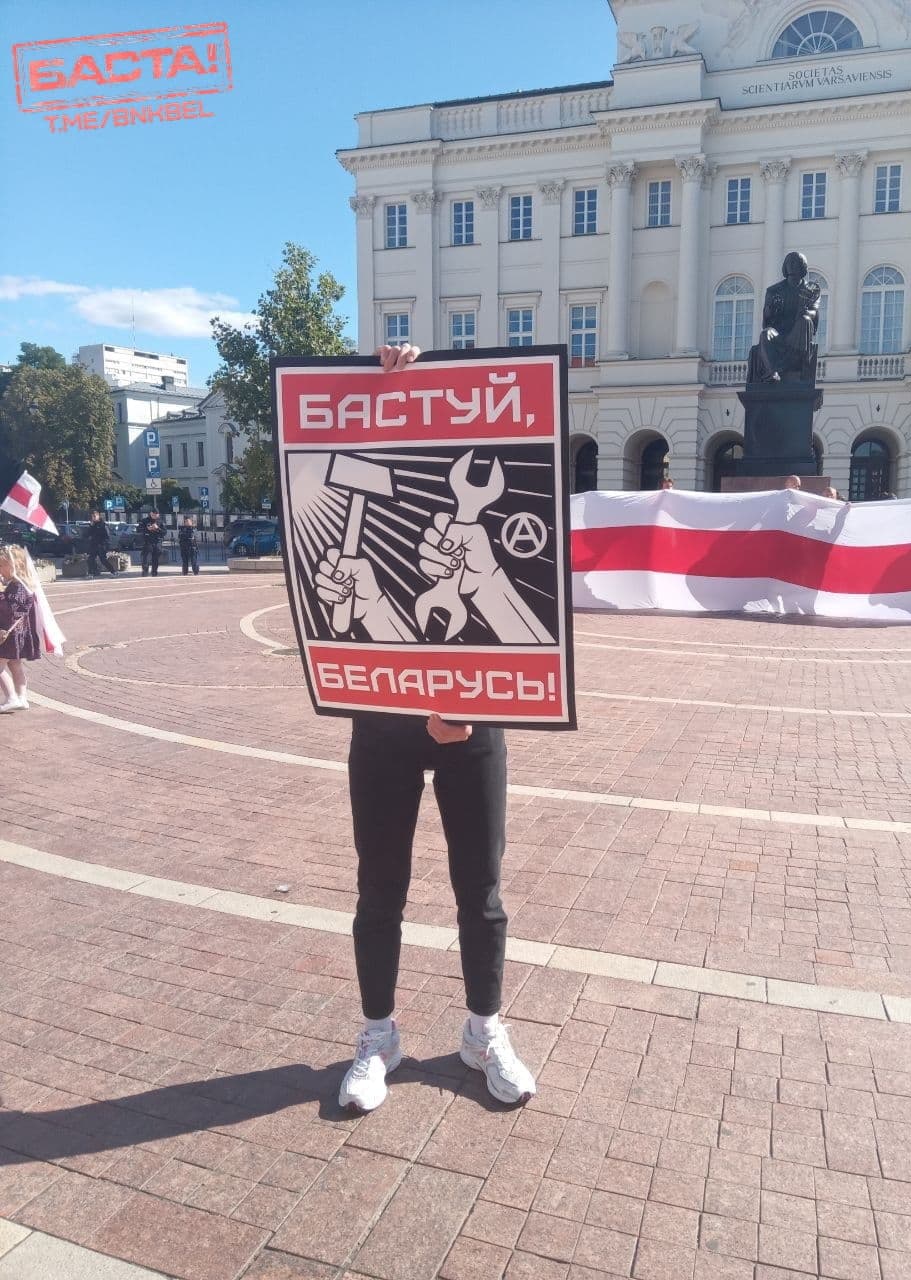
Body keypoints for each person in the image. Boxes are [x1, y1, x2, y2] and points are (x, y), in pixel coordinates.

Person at [336, 343, 537, 1115]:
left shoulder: (481, 549)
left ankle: (483, 1032)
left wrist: (485, 577)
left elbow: (527, 635)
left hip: (472, 721)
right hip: (383, 723)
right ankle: (378, 1036)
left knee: (480, 890)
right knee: (379, 888)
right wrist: (386, 379)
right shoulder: (374, 549)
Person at [747, 251, 821, 385]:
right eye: (789, 262)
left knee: (805, 320)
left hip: (799, 335)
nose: (792, 265)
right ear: (785, 266)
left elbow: (814, 313)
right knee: (765, 334)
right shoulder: (774, 291)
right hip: (779, 336)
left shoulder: (810, 290)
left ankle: (795, 362)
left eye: (795, 262)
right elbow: (766, 322)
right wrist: (770, 311)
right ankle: (772, 372)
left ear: (803, 267)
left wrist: (806, 312)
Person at [0, 544, 42, 712]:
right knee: (15, 664)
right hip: (17, 633)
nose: (0, 569)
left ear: (13, 566)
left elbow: (10, 609)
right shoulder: (22, 585)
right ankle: (22, 698)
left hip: (9, 633)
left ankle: (11, 697)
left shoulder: (17, 587)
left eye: (1, 565)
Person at [86, 511, 118, 577]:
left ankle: (113, 572)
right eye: (92, 517)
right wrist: (91, 527)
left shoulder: (103, 525)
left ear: (98, 516)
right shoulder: (92, 525)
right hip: (93, 545)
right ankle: (91, 573)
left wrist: (104, 544)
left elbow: (107, 536)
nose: (93, 518)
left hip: (101, 545)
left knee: (103, 560)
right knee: (90, 559)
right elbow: (87, 534)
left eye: (95, 516)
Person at [138, 509, 164, 576]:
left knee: (155, 559)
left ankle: (154, 572)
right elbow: (139, 529)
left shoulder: (160, 521)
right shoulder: (144, 521)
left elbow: (164, 532)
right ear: (150, 513)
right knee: (145, 558)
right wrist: (147, 529)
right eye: (153, 515)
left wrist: (157, 528)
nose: (154, 516)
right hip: (147, 541)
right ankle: (145, 572)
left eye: (156, 515)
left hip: (157, 542)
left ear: (158, 515)